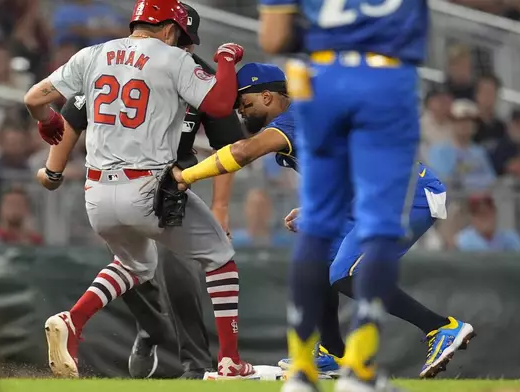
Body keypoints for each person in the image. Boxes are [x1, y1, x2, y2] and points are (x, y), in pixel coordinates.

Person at [174, 62, 475, 381]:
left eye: (244, 104)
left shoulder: (294, 118)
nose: (241, 113)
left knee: (345, 272)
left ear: (267, 96)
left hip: (405, 194)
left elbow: (245, 152)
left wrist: (188, 175)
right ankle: (333, 353)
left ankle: (441, 328)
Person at [24, 0, 254, 379]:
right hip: (149, 187)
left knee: (134, 265)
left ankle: (74, 320)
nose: (182, 43)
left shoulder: (92, 55)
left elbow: (34, 98)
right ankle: (229, 360)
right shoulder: (175, 58)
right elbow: (219, 102)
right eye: (181, 36)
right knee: (219, 256)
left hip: (97, 194)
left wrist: (46, 122)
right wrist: (227, 59)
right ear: (168, 30)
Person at [256, 1, 430, 391]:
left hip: (321, 79)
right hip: (386, 79)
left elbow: (273, 36)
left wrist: (326, 38)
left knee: (317, 225)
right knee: (380, 225)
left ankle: (301, 372)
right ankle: (360, 371)